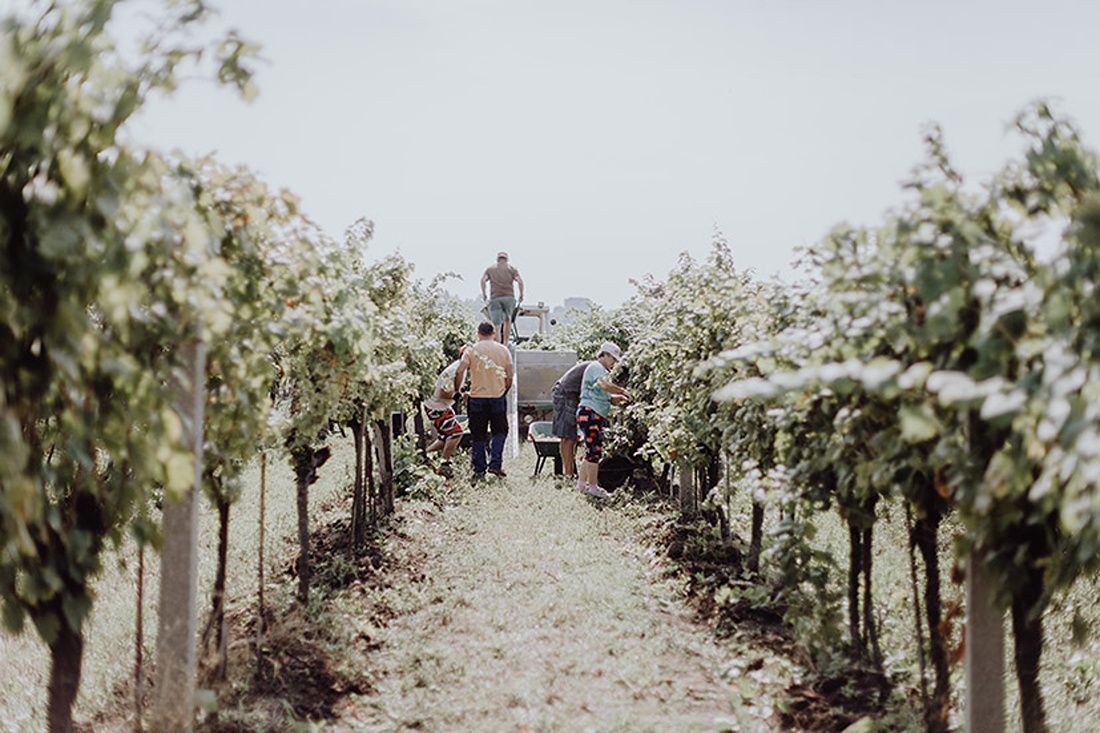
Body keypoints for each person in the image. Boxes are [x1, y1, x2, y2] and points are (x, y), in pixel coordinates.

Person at [454, 321, 514, 480]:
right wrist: (504, 391)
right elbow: (509, 376)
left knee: (478, 434)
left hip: (477, 399)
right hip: (497, 397)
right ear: (494, 333)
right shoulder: (503, 350)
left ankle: (479, 469)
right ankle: (495, 464)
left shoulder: (472, 350)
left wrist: (459, 389)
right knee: (500, 431)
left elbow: (460, 370)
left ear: (478, 333)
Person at [575, 341, 630, 498]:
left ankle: (582, 484)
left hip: (592, 413)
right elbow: (604, 385)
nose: (614, 362)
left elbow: (607, 396)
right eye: (612, 358)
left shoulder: (602, 371)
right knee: (594, 451)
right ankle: (593, 487)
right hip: (590, 413)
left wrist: (621, 397)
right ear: (604, 355)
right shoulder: (596, 368)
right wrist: (623, 390)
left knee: (590, 451)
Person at [423, 349, 465, 478]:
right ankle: (444, 463)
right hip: (437, 407)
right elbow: (443, 392)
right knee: (456, 433)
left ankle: (422, 456)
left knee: (444, 437)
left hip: (440, 406)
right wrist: (459, 396)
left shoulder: (460, 369)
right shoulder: (455, 370)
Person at [550, 359, 592, 480]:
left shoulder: (597, 366)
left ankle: (570, 472)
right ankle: (569, 474)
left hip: (570, 394)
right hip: (566, 393)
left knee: (570, 437)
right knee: (568, 436)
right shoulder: (597, 368)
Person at [480, 251, 524, 344]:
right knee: (508, 320)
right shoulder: (512, 268)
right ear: (506, 260)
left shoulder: (490, 269)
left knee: (497, 324)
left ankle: (497, 344)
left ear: (498, 259)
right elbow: (519, 281)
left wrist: (484, 295)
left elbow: (483, 281)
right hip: (509, 297)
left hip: (495, 298)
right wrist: (521, 294)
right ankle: (505, 344)